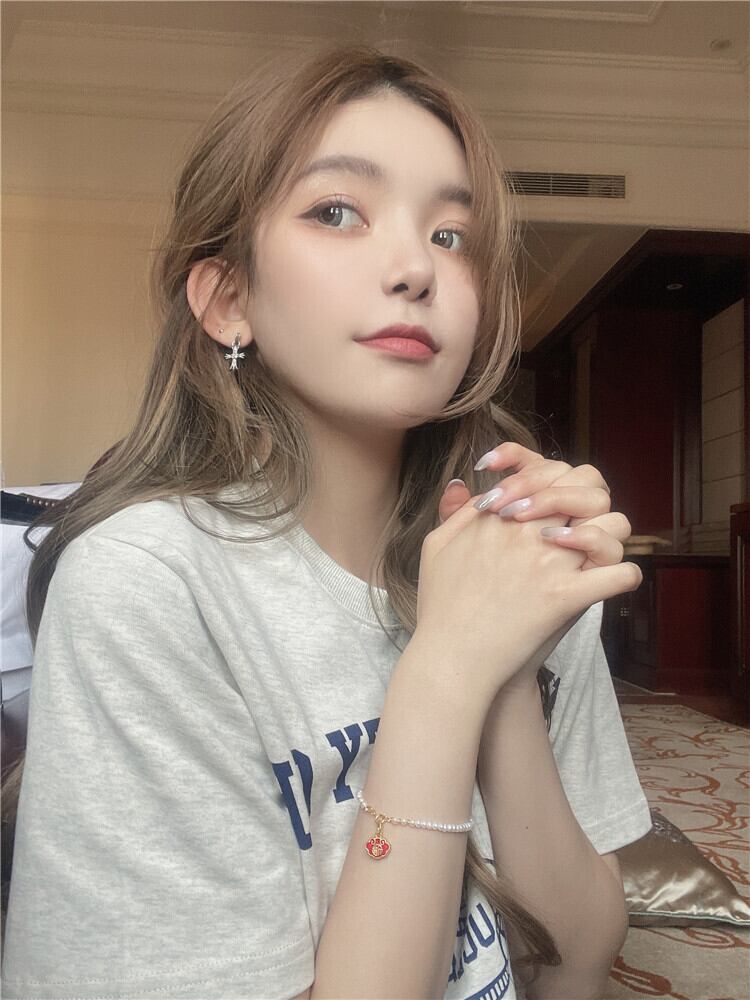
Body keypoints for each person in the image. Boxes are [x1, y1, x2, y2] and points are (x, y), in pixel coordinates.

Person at [0, 44, 651, 999]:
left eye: (452, 236)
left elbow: (579, 963)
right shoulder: (147, 583)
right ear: (229, 300)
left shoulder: (521, 559)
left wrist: (507, 667)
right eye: (337, 212)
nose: (415, 268)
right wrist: (445, 671)